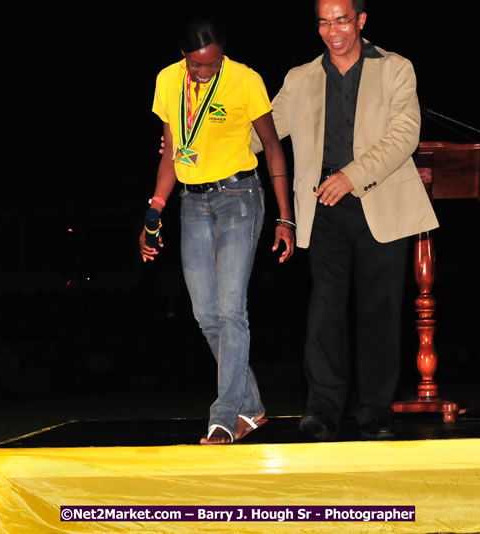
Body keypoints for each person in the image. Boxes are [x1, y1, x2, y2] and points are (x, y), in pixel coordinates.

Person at [252, 0, 439, 440]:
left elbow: (404, 134)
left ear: (361, 20)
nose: (332, 30)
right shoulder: (300, 79)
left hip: (380, 203)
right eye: (323, 21)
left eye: (341, 20)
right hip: (323, 207)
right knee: (324, 311)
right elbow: (263, 131)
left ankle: (374, 409)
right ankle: (322, 410)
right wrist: (200, 146)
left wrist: (351, 177)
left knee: (379, 311)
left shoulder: (395, 68)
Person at [139, 14, 295, 445]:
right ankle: (253, 409)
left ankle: (223, 416)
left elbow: (274, 148)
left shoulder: (245, 80)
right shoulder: (168, 81)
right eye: (196, 66)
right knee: (205, 315)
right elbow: (171, 152)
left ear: (223, 54)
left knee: (231, 312)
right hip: (192, 202)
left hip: (240, 198)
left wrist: (286, 217)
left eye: (212, 65)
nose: (204, 73)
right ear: (183, 57)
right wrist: (154, 213)